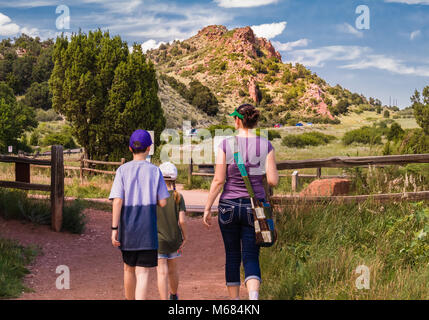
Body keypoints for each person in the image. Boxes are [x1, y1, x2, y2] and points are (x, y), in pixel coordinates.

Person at [203, 104, 279, 300]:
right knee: (251, 256)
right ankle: (253, 299)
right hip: (255, 208)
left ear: (238, 120)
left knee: (232, 256)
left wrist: (207, 207)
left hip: (228, 205)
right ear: (253, 121)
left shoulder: (227, 145)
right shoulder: (266, 145)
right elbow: (272, 181)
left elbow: (219, 180)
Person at [109, 129, 170, 300]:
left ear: (130, 148)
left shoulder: (122, 170)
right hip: (147, 231)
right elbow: (164, 201)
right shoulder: (155, 171)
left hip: (127, 230)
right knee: (142, 273)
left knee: (128, 268)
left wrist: (114, 228)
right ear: (149, 148)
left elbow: (117, 201)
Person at [156, 162, 187, 300]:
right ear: (174, 179)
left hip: (158, 240)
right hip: (175, 239)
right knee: (173, 269)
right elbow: (182, 221)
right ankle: (173, 295)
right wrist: (185, 236)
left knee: (161, 272)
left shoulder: (154, 196)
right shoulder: (178, 197)